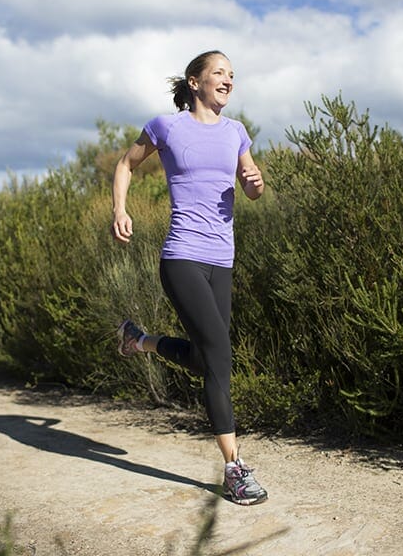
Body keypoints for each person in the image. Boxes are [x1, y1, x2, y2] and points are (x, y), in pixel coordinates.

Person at [111, 50, 268, 506]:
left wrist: (255, 185)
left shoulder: (236, 132)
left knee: (206, 359)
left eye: (232, 75)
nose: (228, 80)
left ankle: (139, 340)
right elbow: (125, 165)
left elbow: (252, 187)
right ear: (195, 82)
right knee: (220, 353)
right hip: (181, 257)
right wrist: (120, 209)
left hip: (222, 259)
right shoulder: (167, 126)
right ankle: (234, 468)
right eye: (219, 72)